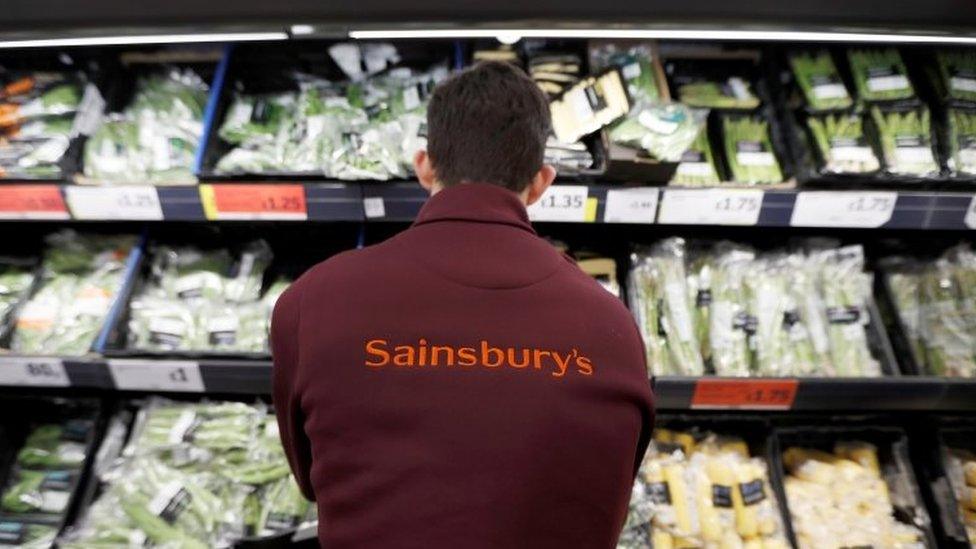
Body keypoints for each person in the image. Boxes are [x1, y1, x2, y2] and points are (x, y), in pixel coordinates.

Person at [272, 60, 654, 548]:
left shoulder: (310, 302)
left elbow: (313, 481)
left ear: (424, 166)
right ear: (541, 182)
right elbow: (607, 498)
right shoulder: (613, 329)